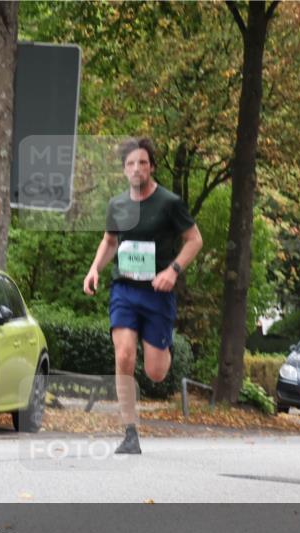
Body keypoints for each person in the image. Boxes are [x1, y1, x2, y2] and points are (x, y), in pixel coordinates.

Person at [82, 137, 203, 454]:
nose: (137, 168)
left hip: (157, 293)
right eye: (131, 164)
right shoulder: (117, 205)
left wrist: (173, 270)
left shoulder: (169, 203)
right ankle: (129, 432)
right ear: (124, 170)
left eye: (143, 163)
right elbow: (110, 242)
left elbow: (194, 240)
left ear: (151, 167)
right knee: (123, 355)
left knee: (156, 372)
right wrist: (94, 269)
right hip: (124, 289)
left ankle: (164, 346)